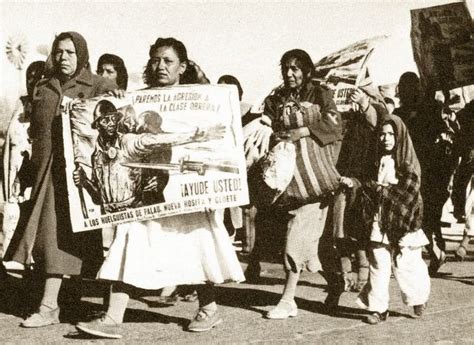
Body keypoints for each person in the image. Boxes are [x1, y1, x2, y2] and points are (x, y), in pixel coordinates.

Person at [74, 37, 244, 339]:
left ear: (182, 67)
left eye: (168, 61)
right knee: (130, 241)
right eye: (156, 60)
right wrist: (115, 98)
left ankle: (209, 308)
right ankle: (113, 317)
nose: (160, 66)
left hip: (184, 192)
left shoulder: (199, 100)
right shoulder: (138, 101)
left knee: (195, 245)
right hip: (147, 196)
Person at [4, 32, 117, 328]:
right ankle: (56, 304)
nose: (64, 57)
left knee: (77, 241)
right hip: (48, 178)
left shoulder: (98, 86)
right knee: (51, 240)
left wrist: (114, 95)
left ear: (81, 55)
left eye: (70, 52)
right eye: (59, 52)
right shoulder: (43, 87)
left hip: (81, 179)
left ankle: (59, 305)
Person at [249, 49, 342, 319]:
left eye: (295, 68)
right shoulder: (276, 98)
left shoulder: (320, 93)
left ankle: (288, 300)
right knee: (315, 249)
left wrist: (303, 131)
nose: (290, 73)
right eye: (286, 68)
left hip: (316, 182)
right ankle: (336, 282)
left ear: (306, 70)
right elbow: (265, 120)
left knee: (295, 241)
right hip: (287, 183)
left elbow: (335, 125)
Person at [355, 115, 430, 324]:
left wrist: (380, 190)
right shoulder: (376, 159)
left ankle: (418, 297)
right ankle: (378, 308)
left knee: (407, 263)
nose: (386, 139)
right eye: (382, 134)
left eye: (391, 134)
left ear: (400, 136)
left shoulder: (407, 162)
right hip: (380, 219)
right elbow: (368, 185)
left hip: (403, 222)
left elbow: (409, 194)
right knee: (378, 262)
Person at [333, 80, 388, 298]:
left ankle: (363, 273)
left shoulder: (378, 111)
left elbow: (375, 121)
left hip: (366, 181)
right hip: (344, 178)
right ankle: (346, 274)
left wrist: (365, 104)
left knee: (361, 230)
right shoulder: (351, 116)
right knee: (341, 229)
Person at [2, 61, 45, 256]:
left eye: (39, 76)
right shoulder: (19, 105)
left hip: (33, 184)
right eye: (30, 75)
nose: (33, 80)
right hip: (10, 182)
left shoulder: (48, 108)